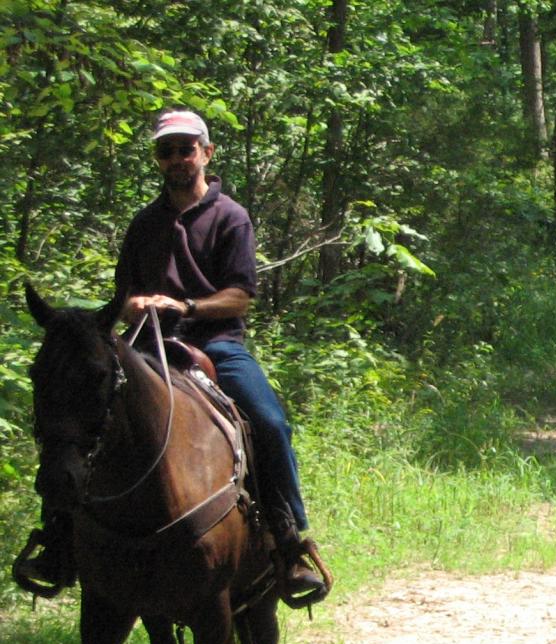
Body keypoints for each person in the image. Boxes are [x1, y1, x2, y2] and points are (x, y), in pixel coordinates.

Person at [14, 109, 328, 608]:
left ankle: (288, 541)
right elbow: (124, 291)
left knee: (268, 420)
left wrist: (184, 305)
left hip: (217, 342)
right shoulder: (144, 223)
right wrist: (133, 302)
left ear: (206, 153)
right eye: (167, 151)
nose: (177, 158)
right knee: (82, 411)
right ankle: (58, 539)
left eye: (186, 148)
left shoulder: (231, 217)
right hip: (143, 341)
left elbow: (240, 295)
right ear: (159, 160)